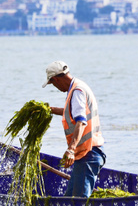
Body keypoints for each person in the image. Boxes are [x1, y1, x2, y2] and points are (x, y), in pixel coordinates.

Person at [42, 61, 106, 197]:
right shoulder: (78, 86)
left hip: (89, 153)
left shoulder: (77, 91)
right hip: (87, 153)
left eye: (53, 84)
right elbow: (71, 112)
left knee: (78, 203)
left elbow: (81, 121)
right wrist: (50, 110)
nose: (55, 87)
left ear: (56, 79)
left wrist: (71, 149)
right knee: (70, 197)